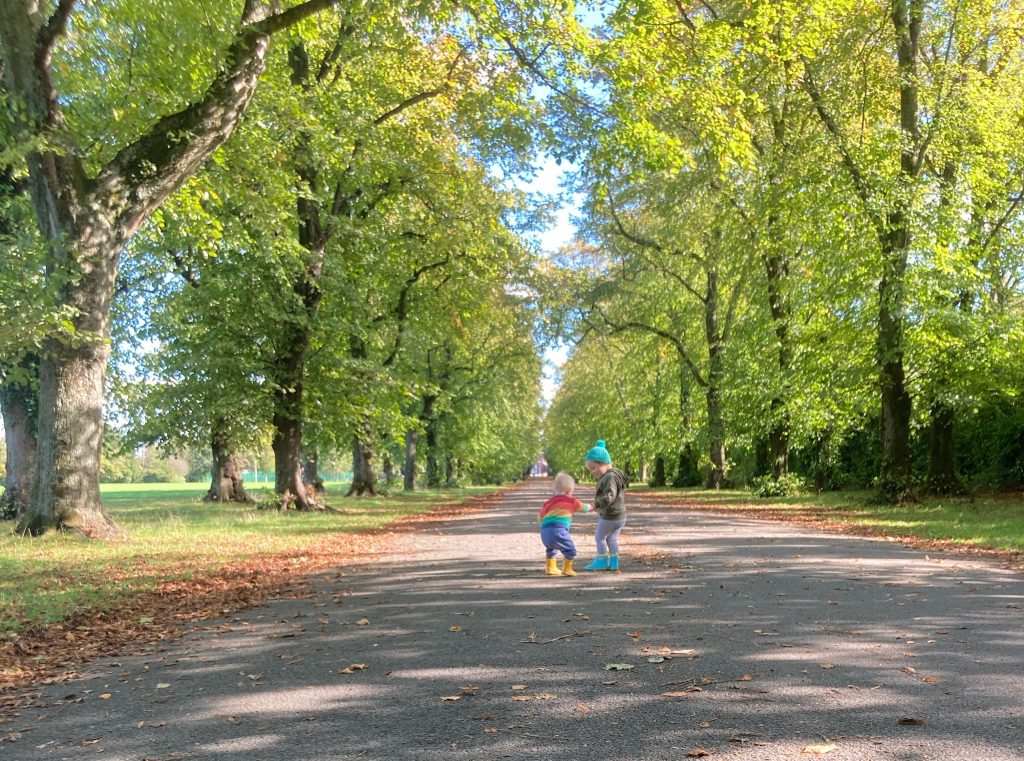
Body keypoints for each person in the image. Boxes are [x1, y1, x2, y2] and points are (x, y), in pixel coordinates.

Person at [583, 440, 628, 571]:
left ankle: (602, 561)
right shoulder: (614, 475)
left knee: (600, 537)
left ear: (603, 463)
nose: (592, 472)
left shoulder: (610, 477)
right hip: (620, 516)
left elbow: (610, 495)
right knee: (612, 539)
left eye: (593, 468)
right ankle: (614, 562)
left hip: (610, 516)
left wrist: (596, 505)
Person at [538, 471, 592, 576]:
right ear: (569, 491)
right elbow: (584, 507)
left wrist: (544, 526)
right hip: (559, 531)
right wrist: (591, 507)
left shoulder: (548, 503)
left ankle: (550, 568)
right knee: (570, 549)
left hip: (544, 532)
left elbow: (540, 517)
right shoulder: (571, 501)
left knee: (551, 548)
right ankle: (567, 569)